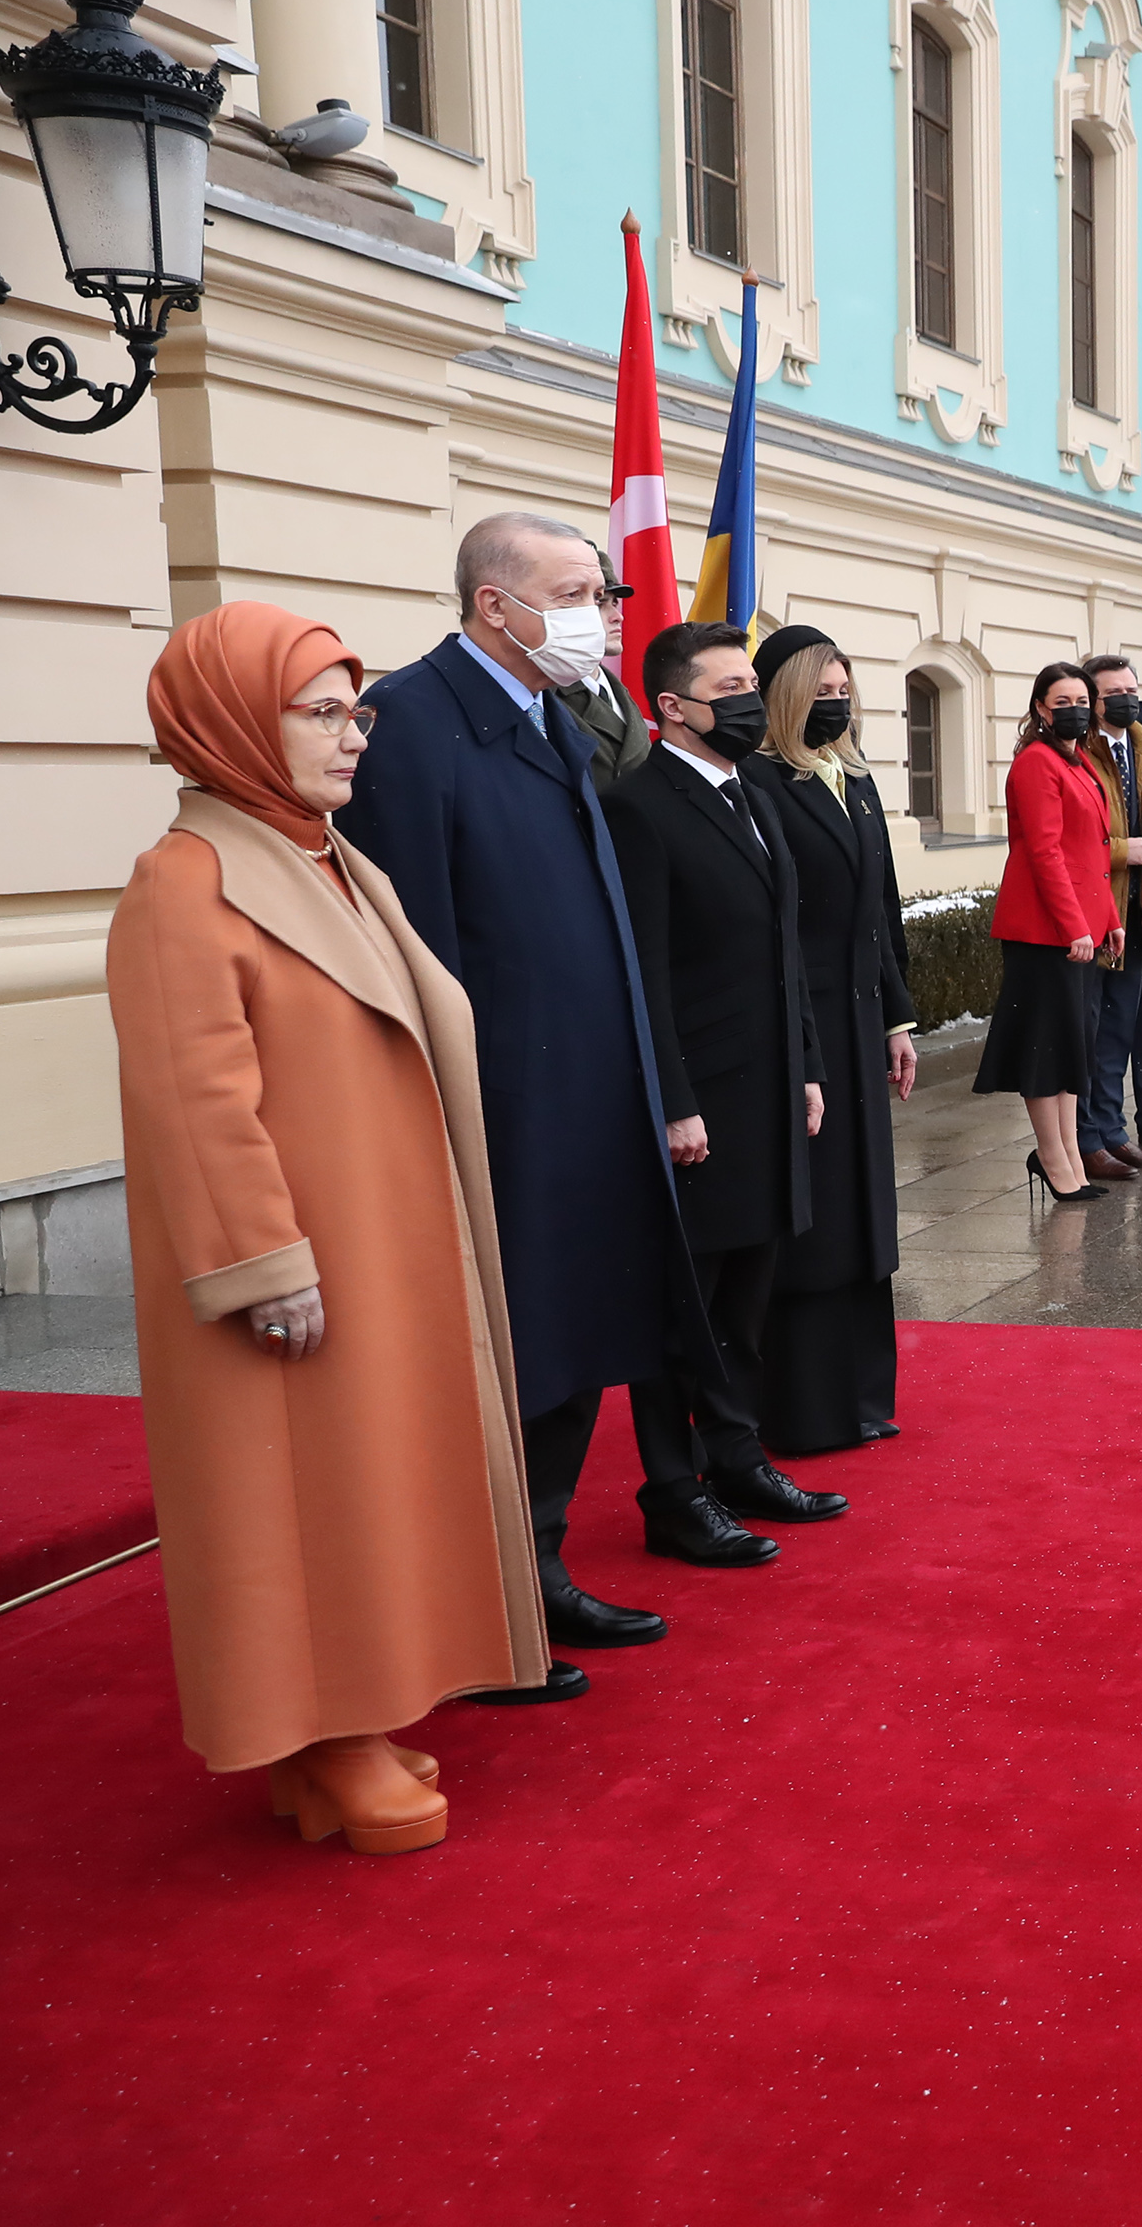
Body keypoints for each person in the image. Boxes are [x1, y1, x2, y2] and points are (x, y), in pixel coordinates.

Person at [110, 604, 543, 1853]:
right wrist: (261, 1262)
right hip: (293, 1259)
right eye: (322, 712)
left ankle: (339, 1730)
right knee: (300, 1496)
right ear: (237, 720)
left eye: (358, 711)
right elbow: (194, 1099)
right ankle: (327, 1734)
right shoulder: (183, 881)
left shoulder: (331, 859)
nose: (355, 737)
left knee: (369, 1479)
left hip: (380, 1234)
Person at [343, 512, 691, 1687]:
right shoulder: (411, 724)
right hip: (500, 1110)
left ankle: (535, 1568)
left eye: (601, 590)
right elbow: (415, 943)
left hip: (588, 1100)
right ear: (497, 604)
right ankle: (483, 1603)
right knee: (504, 1353)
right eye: (579, 589)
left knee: (574, 1338)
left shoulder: (555, 711)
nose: (601, 610)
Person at [604, 620, 844, 1565]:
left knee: (749, 1295)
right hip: (702, 1099)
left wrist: (812, 1065)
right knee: (686, 1309)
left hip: (775, 1089)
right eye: (732, 686)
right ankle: (673, 1492)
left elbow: (789, 949)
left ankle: (737, 1458)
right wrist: (672, 1098)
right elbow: (645, 974)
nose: (752, 698)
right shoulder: (640, 806)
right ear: (672, 707)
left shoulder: (751, 791)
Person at [746, 624, 919, 1459]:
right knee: (815, 1215)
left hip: (858, 1022)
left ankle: (863, 1391)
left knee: (864, 1208)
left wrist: (897, 1016)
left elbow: (879, 911)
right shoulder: (760, 783)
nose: (837, 703)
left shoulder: (852, 777)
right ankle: (805, 1406)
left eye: (845, 689)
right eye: (821, 692)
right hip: (801, 1025)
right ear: (783, 698)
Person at [980, 662, 1120, 1199]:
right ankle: (1054, 1158)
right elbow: (1043, 852)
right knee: (1045, 1049)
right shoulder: (1037, 763)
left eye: (1082, 700)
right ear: (1041, 707)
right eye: (1062, 701)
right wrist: (1074, 927)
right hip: (1045, 931)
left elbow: (1095, 853)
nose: (1075, 710)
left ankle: (1065, 1157)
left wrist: (1108, 921)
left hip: (1080, 926)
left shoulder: (1080, 759)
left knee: (1071, 1048)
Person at [1076, 653, 1142, 1179]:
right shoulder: (1080, 751)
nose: (1127, 698)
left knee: (1119, 1030)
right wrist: (1121, 852)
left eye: (1132, 689)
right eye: (1114, 692)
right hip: (1097, 913)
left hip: (1139, 912)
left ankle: (1113, 1133)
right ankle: (1086, 1138)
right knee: (1090, 1033)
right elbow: (1067, 840)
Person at [553, 544, 655, 793]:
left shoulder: (618, 691)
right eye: (600, 603)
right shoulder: (546, 695)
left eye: (615, 603)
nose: (617, 616)